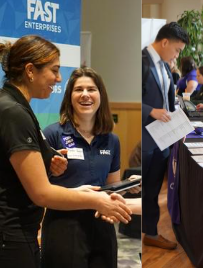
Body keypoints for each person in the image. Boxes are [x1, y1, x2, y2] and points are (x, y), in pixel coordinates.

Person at [0, 35, 132, 267]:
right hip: (6, 235)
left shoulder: (16, 107)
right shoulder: (13, 112)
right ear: (30, 71)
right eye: (54, 70)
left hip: (10, 233)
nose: (58, 78)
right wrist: (95, 200)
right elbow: (41, 193)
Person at [41, 67, 137, 267]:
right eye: (79, 90)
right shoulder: (52, 135)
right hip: (63, 227)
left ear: (100, 95)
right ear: (70, 97)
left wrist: (127, 187)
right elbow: (40, 190)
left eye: (91, 89)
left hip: (102, 226)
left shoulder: (111, 140)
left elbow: (112, 185)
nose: (85, 94)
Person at [141, 22, 189, 250]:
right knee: (144, 189)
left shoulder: (164, 66)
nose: (177, 54)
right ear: (165, 42)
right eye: (177, 50)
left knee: (153, 189)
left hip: (163, 138)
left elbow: (168, 103)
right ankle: (145, 232)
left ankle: (150, 231)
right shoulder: (141, 61)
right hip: (146, 137)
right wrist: (150, 110)